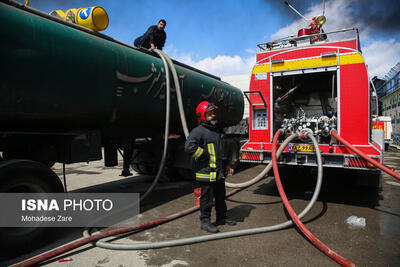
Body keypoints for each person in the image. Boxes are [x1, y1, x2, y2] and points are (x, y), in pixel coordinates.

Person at [184, 101, 236, 233]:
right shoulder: (198, 131)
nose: (213, 116)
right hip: (206, 173)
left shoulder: (215, 131)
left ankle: (221, 218)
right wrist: (203, 154)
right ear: (202, 116)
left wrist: (226, 164)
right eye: (209, 114)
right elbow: (189, 147)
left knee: (220, 197)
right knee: (207, 199)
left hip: (218, 173)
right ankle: (205, 222)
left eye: (213, 113)